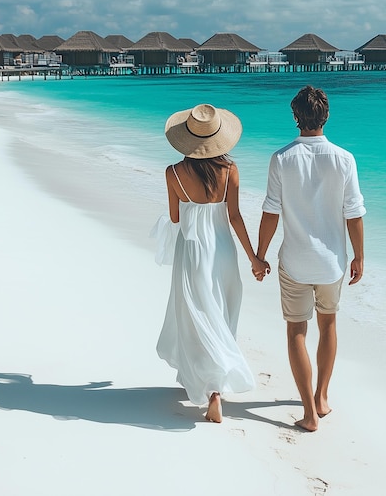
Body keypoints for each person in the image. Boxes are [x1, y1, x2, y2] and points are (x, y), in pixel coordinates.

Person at [256, 86, 366, 432]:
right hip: (332, 261)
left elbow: (271, 211)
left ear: (295, 118)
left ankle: (308, 412)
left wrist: (259, 255)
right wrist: (359, 256)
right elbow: (354, 214)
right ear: (327, 115)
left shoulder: (281, 158)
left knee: (296, 332)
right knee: (328, 324)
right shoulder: (344, 158)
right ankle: (321, 397)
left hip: (295, 261)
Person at [152, 104, 267, 423]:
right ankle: (213, 383)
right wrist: (255, 258)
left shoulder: (172, 173)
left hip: (191, 251)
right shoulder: (230, 170)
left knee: (197, 317)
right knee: (221, 313)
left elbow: (176, 217)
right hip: (223, 251)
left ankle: (210, 386)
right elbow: (235, 217)